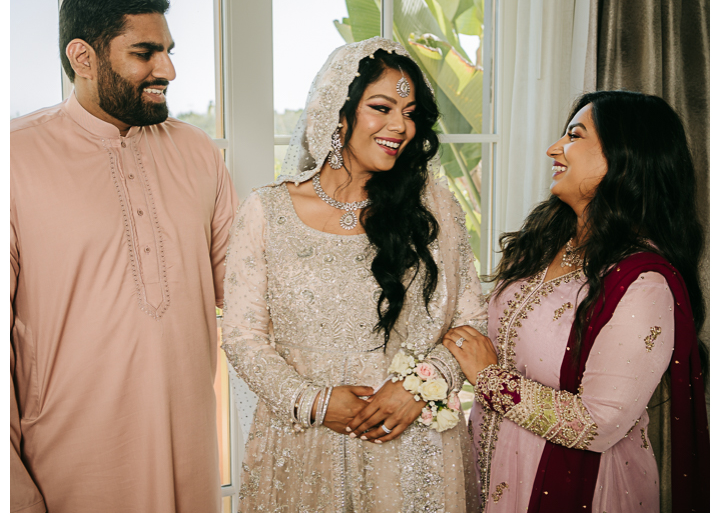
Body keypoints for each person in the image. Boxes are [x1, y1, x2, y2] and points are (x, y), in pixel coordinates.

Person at [221, 38, 484, 512]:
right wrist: (315, 402)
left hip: (408, 441)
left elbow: (471, 325)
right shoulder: (267, 210)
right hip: (304, 442)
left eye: (410, 113)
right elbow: (241, 336)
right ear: (336, 114)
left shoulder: (435, 209)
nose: (399, 126)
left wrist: (418, 387)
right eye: (381, 107)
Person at [11, 0, 239, 512]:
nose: (168, 70)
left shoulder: (197, 151)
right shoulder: (16, 158)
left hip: (191, 445)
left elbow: (248, 290)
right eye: (145, 53)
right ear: (83, 57)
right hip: (70, 457)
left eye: (168, 52)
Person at [442, 91, 709, 512]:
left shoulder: (643, 282)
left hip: (576, 484)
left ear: (624, 157)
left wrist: (489, 378)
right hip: (491, 463)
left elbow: (599, 423)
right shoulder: (547, 243)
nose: (554, 148)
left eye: (574, 135)